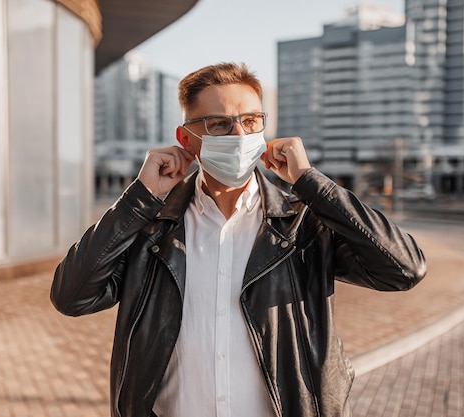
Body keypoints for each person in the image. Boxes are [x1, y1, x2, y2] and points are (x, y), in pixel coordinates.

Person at [50, 62, 427, 417]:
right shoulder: (152, 227)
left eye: (250, 121)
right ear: (187, 139)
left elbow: (404, 269)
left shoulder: (302, 224)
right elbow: (72, 296)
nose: (239, 135)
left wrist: (313, 184)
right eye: (219, 124)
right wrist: (140, 198)